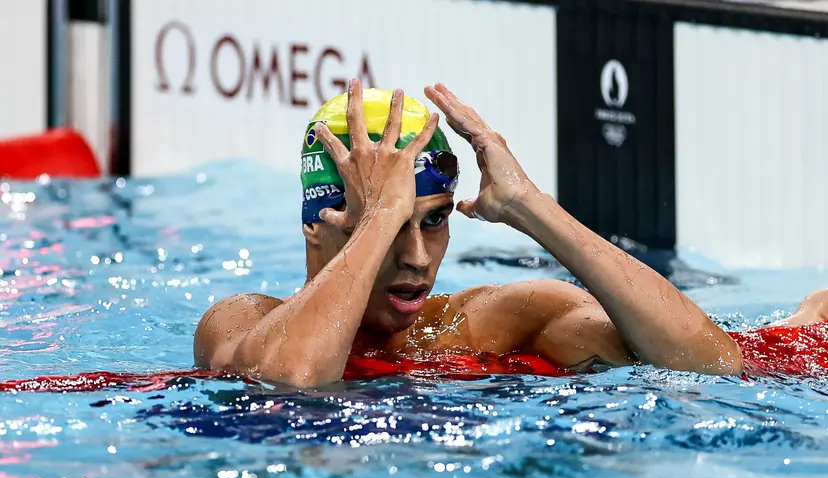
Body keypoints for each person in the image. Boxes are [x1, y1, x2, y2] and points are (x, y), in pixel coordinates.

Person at [193, 78, 748, 387]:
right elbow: (291, 386)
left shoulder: (496, 322)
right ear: (317, 224)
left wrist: (531, 207)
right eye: (388, 226)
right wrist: (384, 211)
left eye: (434, 220)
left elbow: (710, 364)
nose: (416, 258)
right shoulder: (242, 322)